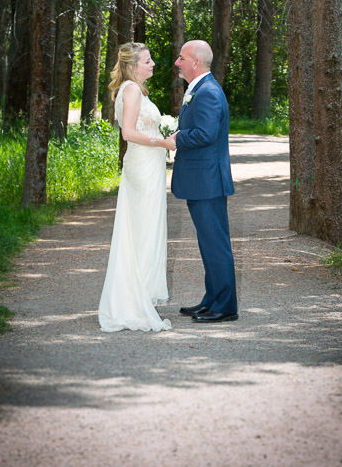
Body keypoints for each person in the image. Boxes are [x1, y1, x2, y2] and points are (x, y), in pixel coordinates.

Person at [98, 42, 175, 333]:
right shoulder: (131, 90)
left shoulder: (138, 90)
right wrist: (162, 142)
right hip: (141, 167)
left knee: (147, 230)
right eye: (147, 60)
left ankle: (138, 294)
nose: (153, 63)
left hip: (150, 166)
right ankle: (132, 301)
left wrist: (166, 135)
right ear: (132, 66)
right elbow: (129, 133)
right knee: (141, 231)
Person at [170, 40, 238, 324]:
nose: (177, 62)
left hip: (208, 181)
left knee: (215, 244)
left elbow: (205, 134)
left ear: (195, 62)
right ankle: (212, 300)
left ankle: (225, 306)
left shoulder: (208, 92)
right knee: (208, 243)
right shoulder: (200, 89)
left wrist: (175, 140)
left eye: (182, 57)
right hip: (202, 180)